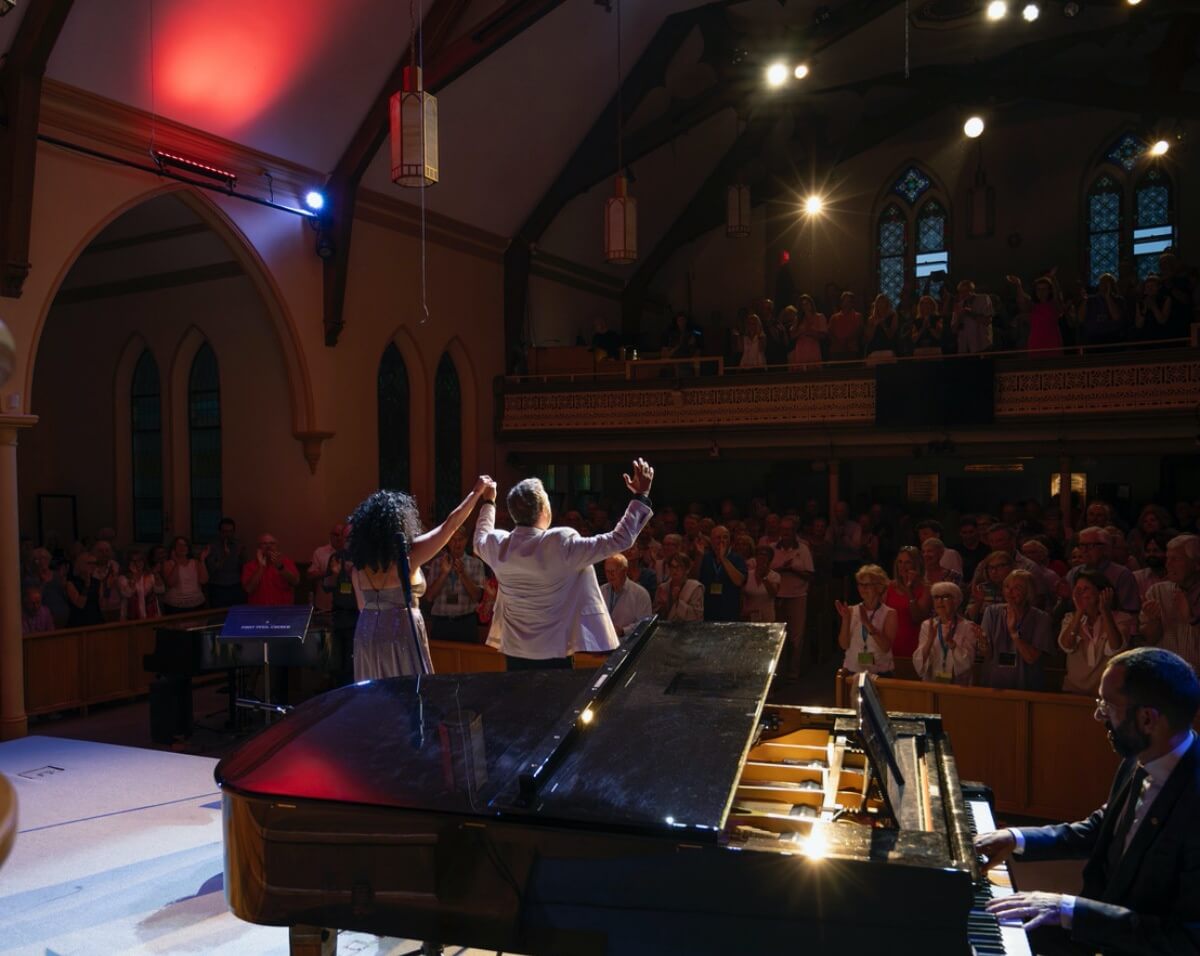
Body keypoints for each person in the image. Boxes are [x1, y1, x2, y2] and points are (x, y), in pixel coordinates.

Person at [976, 647, 1200, 955]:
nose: (1098, 715)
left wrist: (1069, 910)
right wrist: (1016, 838)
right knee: (981, 920)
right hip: (1101, 926)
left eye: (1107, 705)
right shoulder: (1142, 758)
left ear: (1148, 719)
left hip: (1131, 943)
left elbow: (1187, 939)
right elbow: (1101, 829)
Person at [475, 461, 653, 670]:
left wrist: (489, 502)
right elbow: (619, 540)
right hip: (554, 654)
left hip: (514, 651)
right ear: (544, 509)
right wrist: (640, 496)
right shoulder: (559, 544)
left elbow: (480, 537)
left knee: (521, 703)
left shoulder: (498, 545)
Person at [351, 478, 491, 679]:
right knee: (408, 692)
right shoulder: (408, 557)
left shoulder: (359, 567)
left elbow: (362, 607)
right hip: (401, 630)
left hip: (366, 632)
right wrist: (476, 493)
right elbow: (449, 526)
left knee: (374, 696)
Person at [979, 569, 1054, 690]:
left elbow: (1031, 658)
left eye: (1017, 588)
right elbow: (986, 655)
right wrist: (982, 643)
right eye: (1007, 587)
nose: (1010, 592)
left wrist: (1014, 633)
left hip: (1027, 684)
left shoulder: (1041, 618)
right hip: (995, 684)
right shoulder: (992, 612)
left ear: (1028, 592)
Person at [1059, 571, 1131, 696]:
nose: (1081, 593)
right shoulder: (1070, 618)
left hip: (1107, 693)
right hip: (1073, 691)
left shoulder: (1121, 618)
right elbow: (1067, 645)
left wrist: (1105, 611)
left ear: (1101, 592)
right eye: (1078, 589)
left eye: (1086, 589)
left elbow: (1116, 647)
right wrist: (1079, 612)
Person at [1139, 534, 1200, 672]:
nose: (1168, 564)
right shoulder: (1157, 592)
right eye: (1168, 558)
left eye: (1175, 559)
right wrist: (1153, 621)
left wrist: (1191, 618)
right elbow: (1149, 640)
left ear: (1196, 564)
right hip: (1167, 676)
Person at [424, 529, 486, 643]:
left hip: (466, 623)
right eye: (453, 539)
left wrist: (463, 574)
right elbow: (429, 597)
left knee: (468, 660)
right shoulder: (437, 563)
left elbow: (477, 597)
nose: (457, 543)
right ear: (447, 541)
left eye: (460, 539)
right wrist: (443, 574)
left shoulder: (476, 564)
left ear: (466, 540)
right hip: (441, 623)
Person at [836, 564, 898, 676]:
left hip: (880, 673)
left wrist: (868, 624)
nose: (863, 588)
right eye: (860, 584)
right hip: (853, 671)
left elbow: (885, 647)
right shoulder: (850, 611)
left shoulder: (889, 613)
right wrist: (845, 620)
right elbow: (844, 645)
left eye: (867, 585)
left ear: (879, 587)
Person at [912, 582, 979, 685]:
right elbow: (919, 663)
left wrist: (951, 643)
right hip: (932, 684)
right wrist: (930, 640)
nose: (939, 601)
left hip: (958, 686)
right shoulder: (927, 625)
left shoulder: (968, 626)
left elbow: (967, 663)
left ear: (956, 601)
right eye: (936, 597)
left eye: (945, 597)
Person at [885, 546, 930, 658]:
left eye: (907, 562)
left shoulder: (926, 588)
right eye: (900, 562)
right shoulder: (889, 586)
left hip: (914, 645)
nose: (902, 567)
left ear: (916, 565)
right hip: (890, 646)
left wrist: (909, 590)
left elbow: (917, 618)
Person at [697, 524, 746, 623]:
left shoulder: (737, 559)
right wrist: (698, 557)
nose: (722, 540)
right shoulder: (705, 558)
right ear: (711, 541)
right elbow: (693, 579)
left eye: (725, 537)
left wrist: (723, 558)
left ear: (729, 540)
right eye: (718, 538)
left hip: (729, 612)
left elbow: (739, 581)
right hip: (708, 611)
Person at [600, 554, 653, 637]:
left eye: (613, 571)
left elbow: (645, 624)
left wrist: (623, 631)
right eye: (607, 571)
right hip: (603, 642)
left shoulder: (640, 594)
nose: (610, 575)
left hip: (628, 644)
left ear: (624, 571)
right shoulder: (601, 591)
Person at [241, 534, 299, 606]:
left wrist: (280, 567)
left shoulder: (287, 562)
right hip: (258, 611)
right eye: (264, 544)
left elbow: (295, 582)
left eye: (272, 543)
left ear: (277, 546)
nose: (269, 546)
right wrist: (261, 567)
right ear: (259, 548)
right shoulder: (249, 566)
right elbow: (249, 589)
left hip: (283, 610)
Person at [206, 517, 246, 607]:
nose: (227, 534)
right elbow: (211, 569)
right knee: (219, 616)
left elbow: (243, 567)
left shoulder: (238, 544)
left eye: (230, 531)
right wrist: (224, 556)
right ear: (220, 532)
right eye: (224, 531)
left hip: (236, 586)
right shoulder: (212, 546)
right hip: (218, 587)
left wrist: (240, 555)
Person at [162, 536, 209, 614]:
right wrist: (176, 563)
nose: (182, 547)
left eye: (185, 545)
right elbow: (170, 583)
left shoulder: (195, 562)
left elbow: (204, 580)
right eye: (179, 545)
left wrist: (202, 560)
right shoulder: (168, 564)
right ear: (174, 548)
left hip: (197, 603)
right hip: (175, 605)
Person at [307, 524, 347, 613]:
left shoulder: (352, 554)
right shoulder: (320, 552)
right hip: (324, 605)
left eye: (342, 535)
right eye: (336, 535)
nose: (339, 538)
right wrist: (329, 572)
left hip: (346, 607)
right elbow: (310, 575)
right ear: (331, 536)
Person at [654, 553, 704, 622]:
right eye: (672, 567)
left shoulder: (695, 587)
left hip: (687, 630)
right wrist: (663, 605)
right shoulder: (663, 588)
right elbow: (656, 616)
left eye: (679, 567)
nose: (675, 570)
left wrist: (677, 601)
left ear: (687, 570)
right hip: (666, 630)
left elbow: (697, 616)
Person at [117, 549, 163, 621]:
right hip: (131, 617)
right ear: (128, 563)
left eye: (139, 560)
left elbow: (161, 590)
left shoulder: (149, 575)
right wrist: (134, 577)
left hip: (152, 615)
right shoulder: (123, 578)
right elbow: (127, 594)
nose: (137, 563)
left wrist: (156, 574)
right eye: (133, 561)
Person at [742, 544, 780, 622]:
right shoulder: (747, 574)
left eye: (765, 554)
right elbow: (741, 595)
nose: (762, 557)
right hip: (749, 617)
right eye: (760, 554)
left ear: (770, 558)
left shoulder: (775, 576)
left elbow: (773, 594)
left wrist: (764, 577)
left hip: (767, 618)